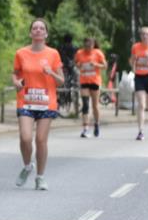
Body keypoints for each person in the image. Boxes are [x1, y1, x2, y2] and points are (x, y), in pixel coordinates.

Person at [13, 18, 64, 191]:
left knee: (41, 140)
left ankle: (40, 177)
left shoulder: (53, 54)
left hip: (46, 103)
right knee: (25, 138)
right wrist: (16, 82)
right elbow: (15, 74)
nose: (38, 30)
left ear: (46, 34)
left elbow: (61, 81)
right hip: (26, 101)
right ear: (30, 33)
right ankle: (28, 166)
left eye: (41, 28)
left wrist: (51, 73)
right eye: (35, 28)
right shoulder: (21, 53)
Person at [75, 37, 107, 138]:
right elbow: (76, 64)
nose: (88, 48)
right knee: (85, 104)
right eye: (86, 46)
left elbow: (105, 66)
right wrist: (79, 65)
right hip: (84, 80)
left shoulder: (98, 53)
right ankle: (85, 128)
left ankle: (96, 123)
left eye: (90, 46)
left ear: (93, 45)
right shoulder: (79, 53)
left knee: (95, 105)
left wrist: (96, 64)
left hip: (95, 81)